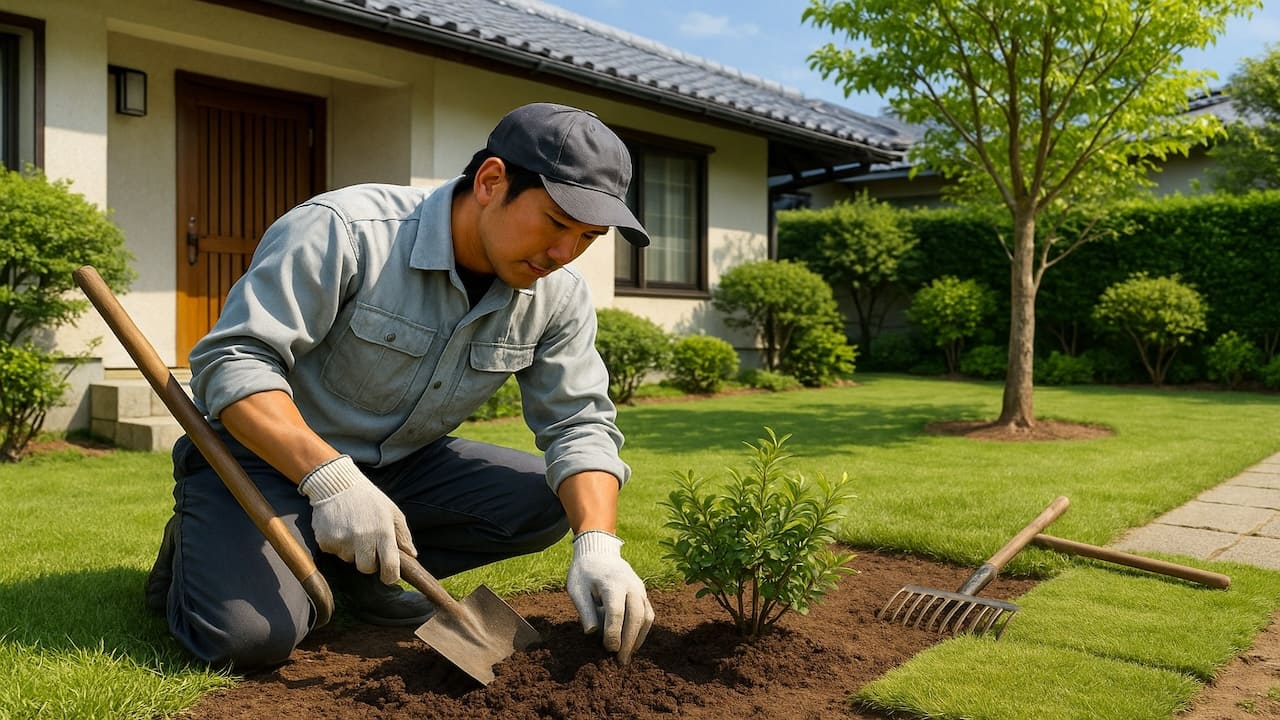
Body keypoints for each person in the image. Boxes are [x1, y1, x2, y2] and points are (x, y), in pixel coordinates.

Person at [145, 102, 655, 670]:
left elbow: (578, 423)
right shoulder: (345, 231)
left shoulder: (558, 295)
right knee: (249, 639)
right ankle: (194, 553)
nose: (565, 253)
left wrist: (598, 546)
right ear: (491, 181)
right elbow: (236, 361)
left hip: (401, 470)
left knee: (547, 501)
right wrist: (330, 477)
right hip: (263, 464)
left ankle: (351, 571)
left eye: (588, 236)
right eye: (557, 223)